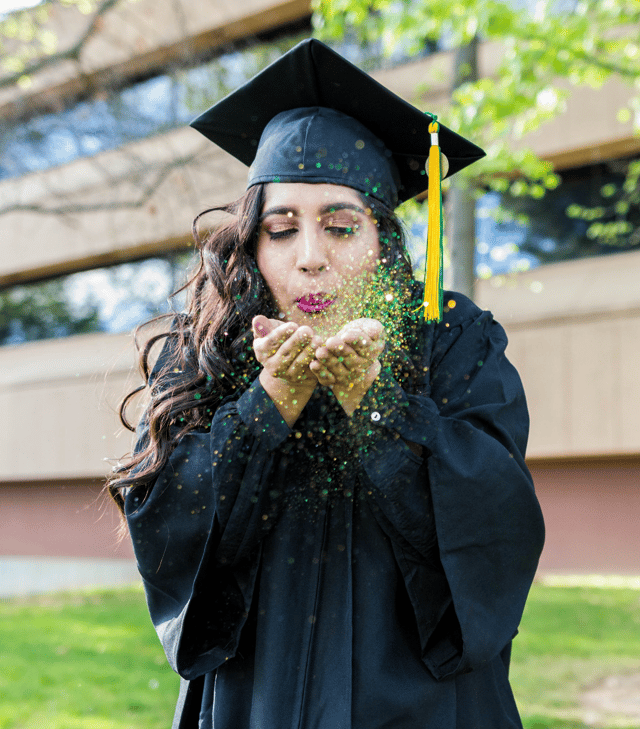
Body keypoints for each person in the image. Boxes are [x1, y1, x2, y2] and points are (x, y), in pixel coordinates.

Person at [108, 38, 545, 729]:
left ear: (383, 239)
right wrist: (262, 410)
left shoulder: (451, 342)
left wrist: (377, 409)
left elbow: (497, 519)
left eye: (341, 227)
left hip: (426, 707)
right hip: (256, 701)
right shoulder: (211, 350)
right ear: (252, 242)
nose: (311, 258)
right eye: (281, 230)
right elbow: (168, 521)